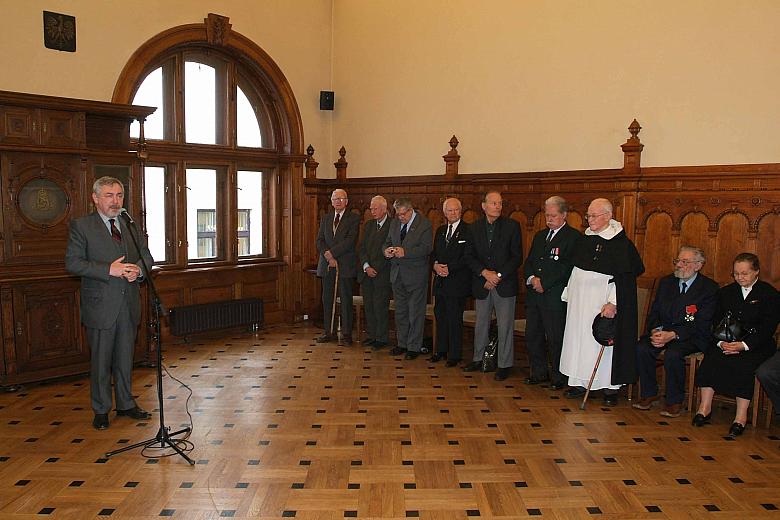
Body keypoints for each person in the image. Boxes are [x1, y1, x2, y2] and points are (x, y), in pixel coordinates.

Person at [65, 176, 154, 430]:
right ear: (95, 198)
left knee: (126, 358)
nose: (115, 201)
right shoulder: (82, 226)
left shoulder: (130, 224)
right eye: (109, 195)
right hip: (100, 306)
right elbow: (73, 264)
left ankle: (126, 403)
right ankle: (101, 409)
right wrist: (109, 270)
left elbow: (146, 256)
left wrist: (138, 270)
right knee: (101, 361)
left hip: (128, 304)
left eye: (119, 196)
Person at [560, 198, 644, 406]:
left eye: (594, 215)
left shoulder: (621, 244)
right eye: (588, 215)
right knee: (579, 341)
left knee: (601, 341)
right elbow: (575, 269)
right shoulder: (585, 239)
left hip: (601, 303)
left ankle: (609, 387)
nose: (589, 220)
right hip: (579, 302)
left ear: (608, 216)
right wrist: (568, 292)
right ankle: (579, 382)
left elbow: (624, 280)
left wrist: (613, 302)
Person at [693, 253, 780, 436]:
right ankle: (704, 408)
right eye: (736, 273)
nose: (740, 277)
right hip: (727, 341)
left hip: (756, 345)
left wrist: (744, 345)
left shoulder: (769, 294)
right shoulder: (725, 293)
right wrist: (721, 343)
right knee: (712, 358)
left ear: (756, 272)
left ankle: (740, 417)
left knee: (744, 365)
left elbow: (767, 328)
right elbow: (715, 321)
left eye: (744, 273)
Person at [633, 246, 718, 417]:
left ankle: (674, 400)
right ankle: (649, 393)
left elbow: (702, 321)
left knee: (673, 353)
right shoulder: (666, 282)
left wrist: (673, 335)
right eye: (677, 261)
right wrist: (656, 331)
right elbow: (655, 312)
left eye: (684, 262)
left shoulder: (708, 288)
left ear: (698, 265)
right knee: (642, 348)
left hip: (691, 336)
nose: (679, 265)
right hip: (663, 332)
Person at [522, 196, 580, 390]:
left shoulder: (573, 238)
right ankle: (538, 372)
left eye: (553, 215)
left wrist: (544, 283)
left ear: (564, 215)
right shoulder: (540, 236)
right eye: (547, 215)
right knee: (533, 335)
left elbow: (566, 268)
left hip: (554, 296)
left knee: (555, 338)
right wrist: (532, 279)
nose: (549, 219)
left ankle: (558, 376)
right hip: (535, 296)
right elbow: (530, 261)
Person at [464, 191, 523, 381]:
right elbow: (469, 256)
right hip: (482, 283)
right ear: (484, 206)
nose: (498, 206)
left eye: (500, 203)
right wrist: (484, 273)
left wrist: (497, 276)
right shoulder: (474, 228)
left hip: (503, 283)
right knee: (481, 323)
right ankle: (478, 358)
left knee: (505, 325)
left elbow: (516, 257)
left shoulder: (512, 226)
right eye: (493, 203)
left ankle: (504, 364)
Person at [383, 198, 432, 359]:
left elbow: (426, 248)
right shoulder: (395, 223)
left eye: (404, 214)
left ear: (411, 210)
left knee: (415, 313)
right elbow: (387, 242)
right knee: (401, 312)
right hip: (397, 275)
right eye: (398, 214)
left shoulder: (424, 224)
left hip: (416, 276)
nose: (401, 217)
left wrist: (406, 252)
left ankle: (414, 347)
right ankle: (402, 343)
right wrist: (387, 250)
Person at [430, 197, 472, 367]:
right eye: (450, 210)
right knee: (441, 317)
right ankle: (441, 350)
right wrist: (435, 266)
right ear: (444, 213)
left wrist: (449, 268)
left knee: (454, 319)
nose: (453, 213)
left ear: (460, 211)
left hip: (457, 283)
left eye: (456, 210)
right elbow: (434, 253)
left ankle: (454, 355)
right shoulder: (440, 230)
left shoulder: (468, 230)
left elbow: (468, 256)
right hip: (440, 283)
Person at [315, 188, 360, 345]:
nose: (338, 202)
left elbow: (350, 240)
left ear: (346, 201)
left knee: (346, 300)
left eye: (341, 199)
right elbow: (319, 240)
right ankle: (329, 331)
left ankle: (347, 334)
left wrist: (332, 253)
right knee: (327, 299)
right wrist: (327, 255)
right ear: (331, 202)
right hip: (327, 265)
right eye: (335, 199)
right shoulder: (326, 218)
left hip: (344, 265)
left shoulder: (353, 218)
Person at [357, 195, 391, 349]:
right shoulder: (369, 225)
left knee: (380, 307)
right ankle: (372, 335)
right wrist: (366, 266)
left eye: (375, 208)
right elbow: (362, 247)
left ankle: (382, 338)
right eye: (371, 208)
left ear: (384, 209)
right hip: (367, 273)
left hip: (382, 274)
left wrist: (375, 268)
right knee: (369, 306)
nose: (372, 211)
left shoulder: (392, 225)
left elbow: (388, 250)